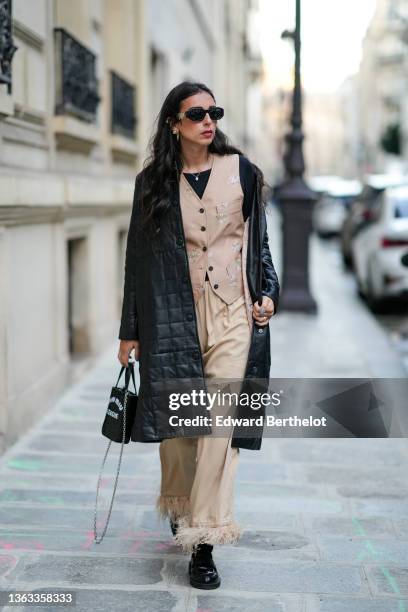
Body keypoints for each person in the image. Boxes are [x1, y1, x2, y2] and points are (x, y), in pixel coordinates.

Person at [118, 81, 280, 590]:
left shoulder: (245, 173)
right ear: (174, 123)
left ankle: (204, 540)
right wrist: (131, 331)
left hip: (234, 315)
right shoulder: (153, 183)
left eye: (214, 112)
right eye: (196, 113)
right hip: (174, 318)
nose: (208, 121)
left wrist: (269, 293)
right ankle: (183, 503)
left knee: (220, 427)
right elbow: (136, 262)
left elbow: (261, 248)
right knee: (181, 426)